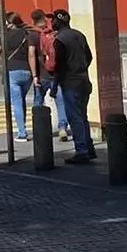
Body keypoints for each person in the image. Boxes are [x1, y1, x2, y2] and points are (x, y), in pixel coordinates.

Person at [51, 9, 95, 163]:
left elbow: (59, 65)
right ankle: (89, 148)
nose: (51, 22)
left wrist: (55, 85)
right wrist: (81, 68)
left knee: (75, 117)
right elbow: (89, 57)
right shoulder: (79, 35)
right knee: (83, 116)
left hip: (70, 83)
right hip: (84, 80)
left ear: (58, 21)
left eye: (53, 20)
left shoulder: (60, 40)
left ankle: (82, 151)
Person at [0, 12, 36, 142]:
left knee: (17, 102)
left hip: (12, 71)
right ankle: (24, 127)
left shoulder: (5, 36)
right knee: (22, 100)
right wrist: (34, 74)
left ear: (10, 23)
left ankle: (22, 133)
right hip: (27, 72)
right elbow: (32, 53)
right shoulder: (27, 34)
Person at [30, 8, 72, 142]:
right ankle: (63, 128)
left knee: (38, 102)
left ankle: (39, 128)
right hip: (56, 74)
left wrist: (34, 75)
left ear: (33, 20)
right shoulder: (54, 34)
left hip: (41, 75)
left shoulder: (33, 35)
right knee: (61, 101)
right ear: (45, 19)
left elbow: (32, 55)